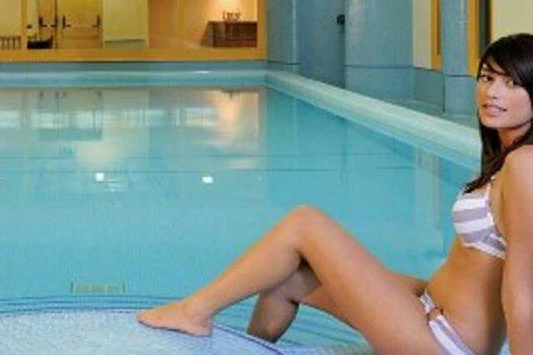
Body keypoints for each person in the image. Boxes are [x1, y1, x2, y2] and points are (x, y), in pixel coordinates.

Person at [138, 33, 533, 354]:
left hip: (442, 342)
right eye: (487, 78)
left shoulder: (524, 164)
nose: (493, 92)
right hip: (432, 307)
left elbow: (522, 291)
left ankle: (194, 310)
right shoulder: (507, 157)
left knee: (304, 223)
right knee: (285, 279)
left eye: (512, 83)